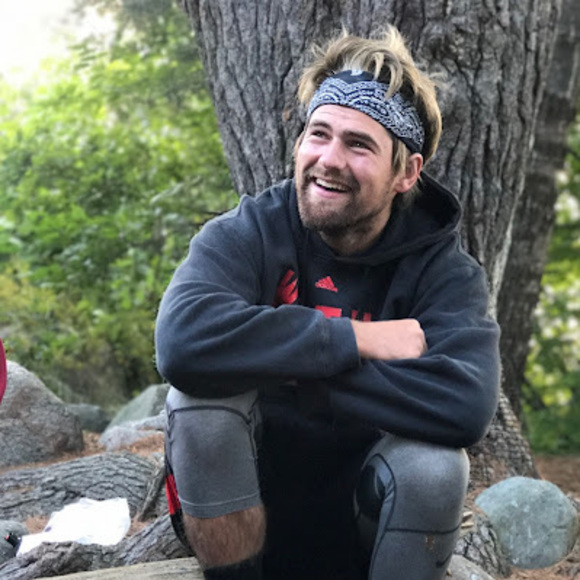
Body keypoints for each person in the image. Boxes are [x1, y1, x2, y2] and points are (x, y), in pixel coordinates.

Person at [156, 25, 500, 580]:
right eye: (319, 134)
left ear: (406, 173)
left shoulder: (445, 273)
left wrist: (283, 371)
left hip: (367, 515)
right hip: (244, 507)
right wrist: (357, 340)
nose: (329, 159)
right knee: (200, 406)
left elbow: (465, 404)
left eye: (359, 144)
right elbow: (182, 342)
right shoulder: (250, 231)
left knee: (437, 468)